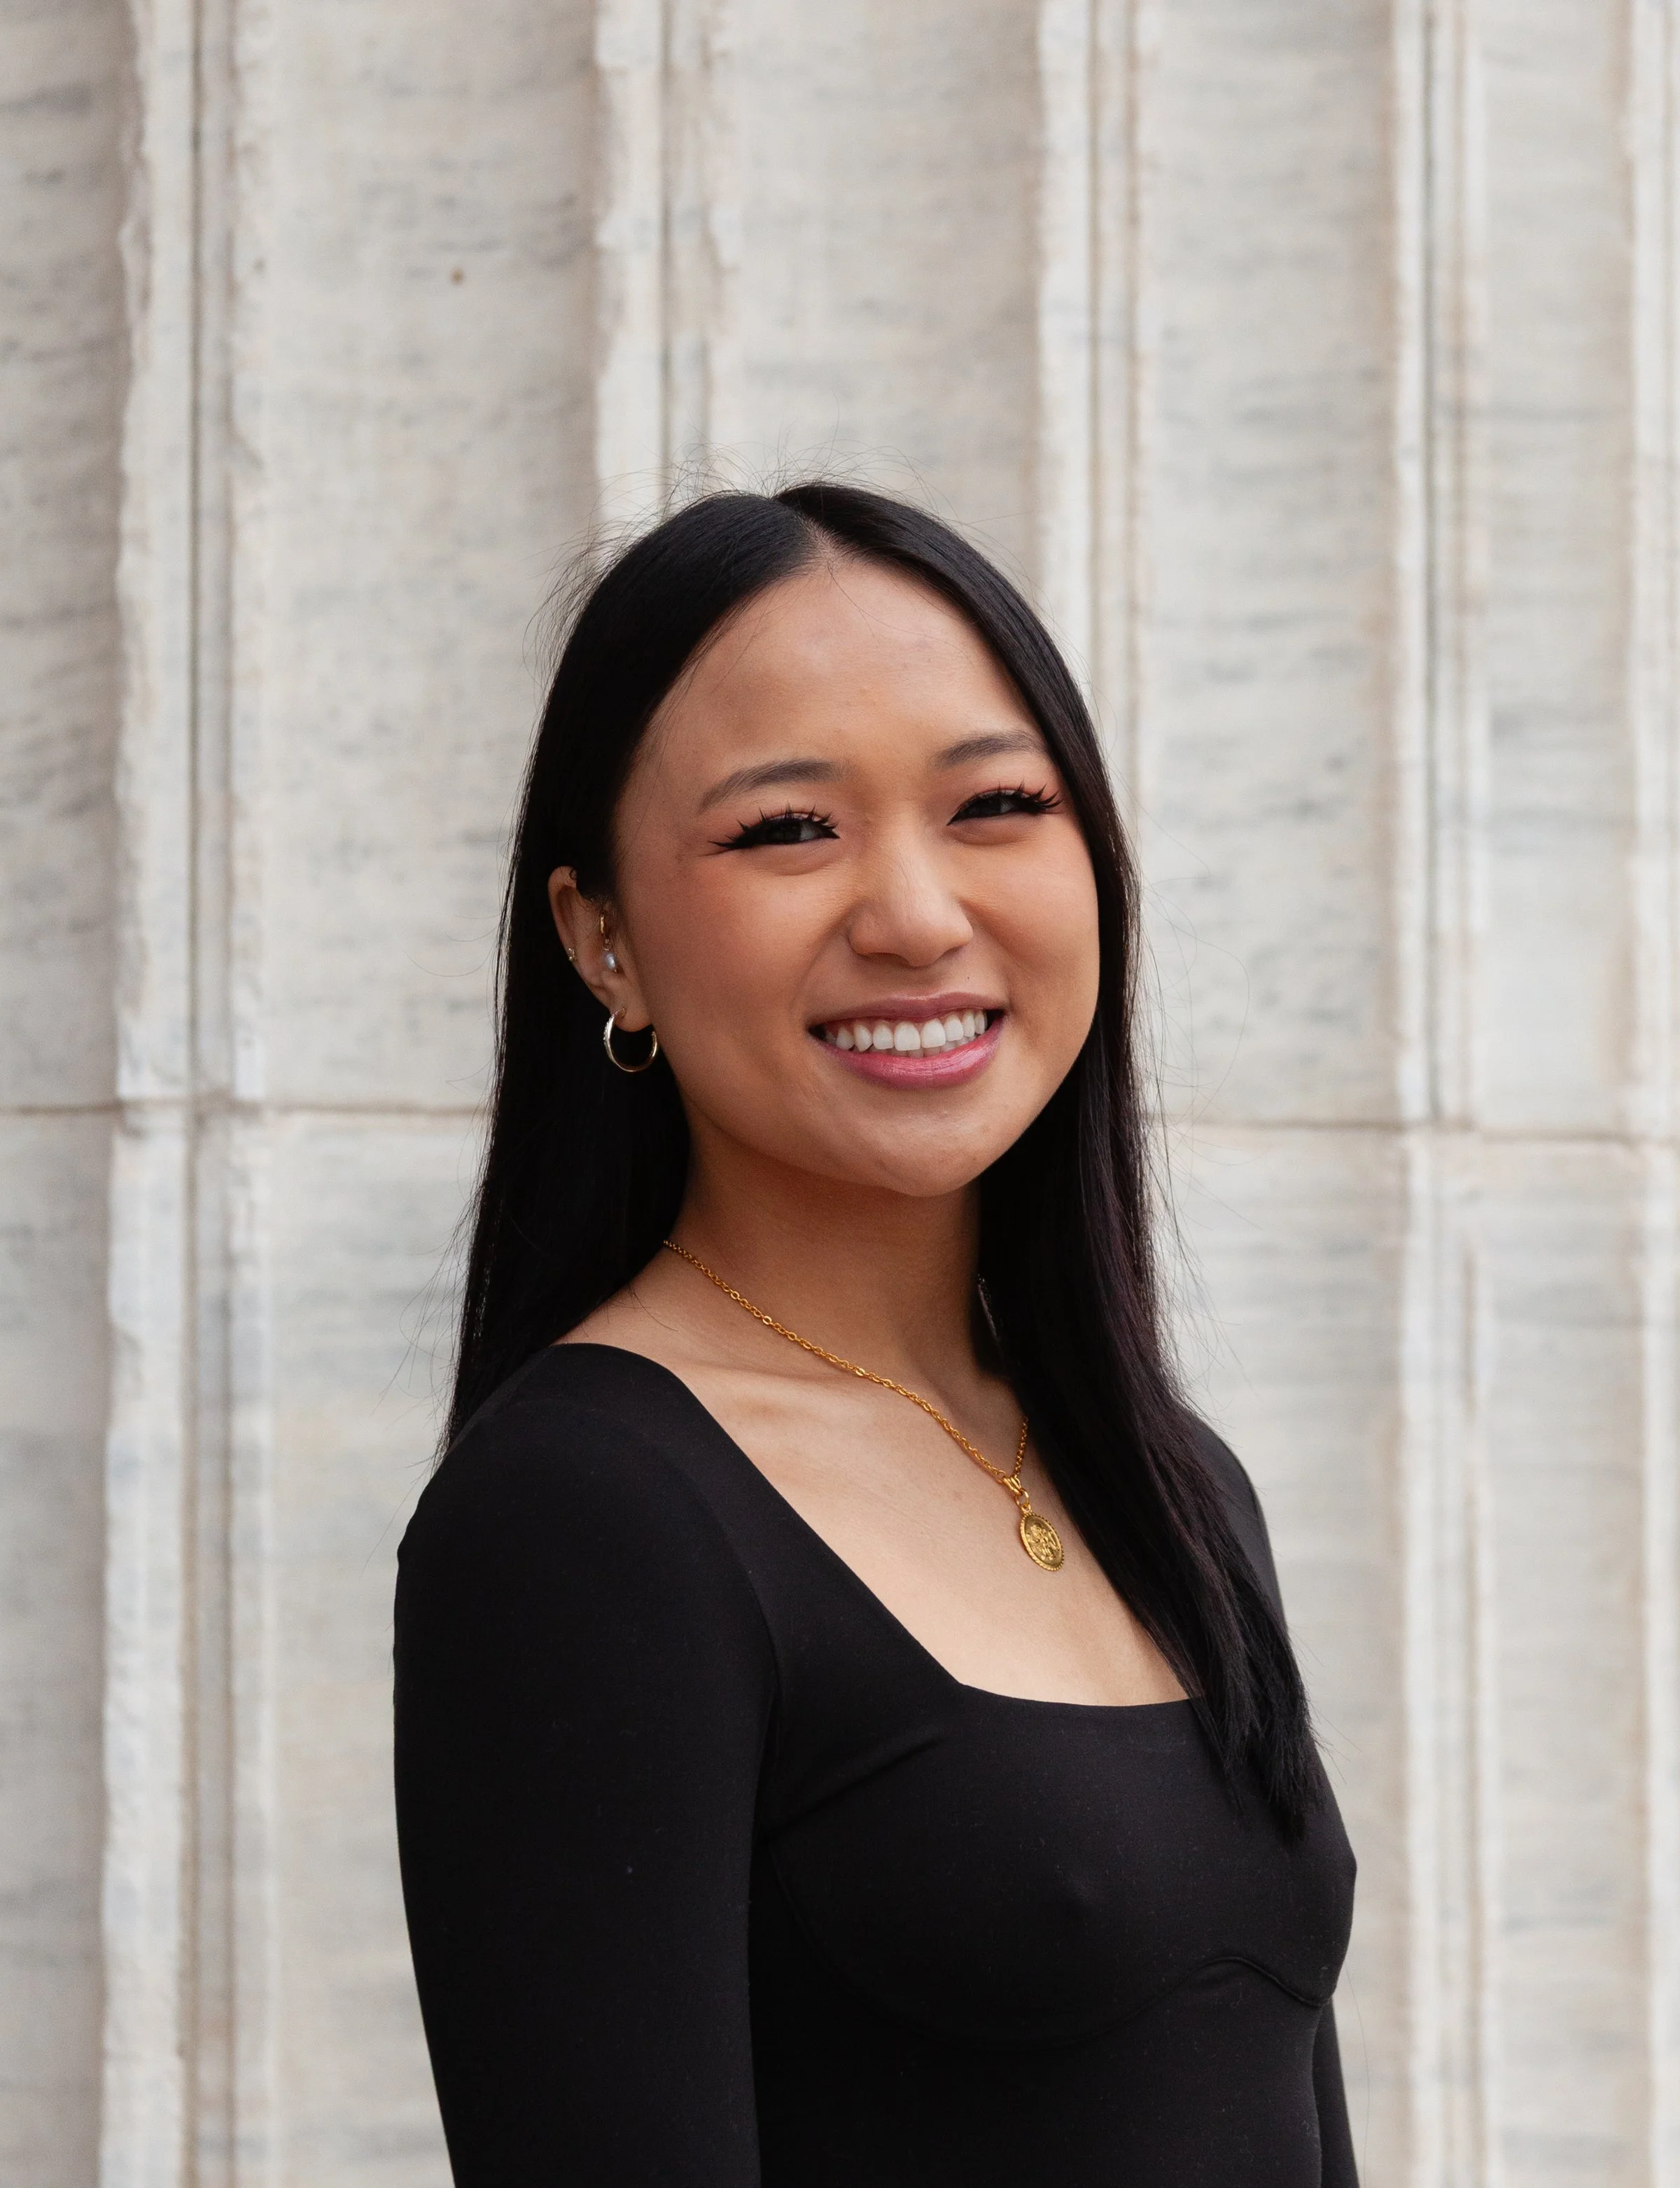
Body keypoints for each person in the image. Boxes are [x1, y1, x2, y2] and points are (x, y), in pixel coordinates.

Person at [393, 482, 1357, 2185]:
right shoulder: (584, 1516)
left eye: (995, 804)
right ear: (601, 939)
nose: (913, 913)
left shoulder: (1168, 1481)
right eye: (787, 829)